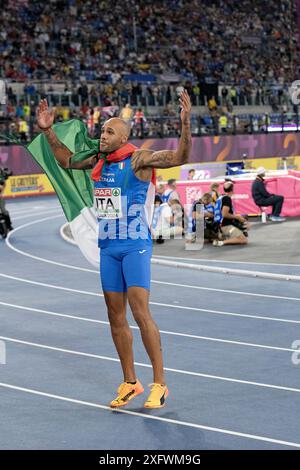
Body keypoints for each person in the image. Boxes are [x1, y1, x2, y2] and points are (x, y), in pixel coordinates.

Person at [36, 91, 192, 409]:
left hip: (134, 245)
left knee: (139, 312)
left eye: (108, 132)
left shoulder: (139, 159)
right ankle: (130, 382)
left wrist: (185, 125)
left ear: (123, 136)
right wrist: (47, 131)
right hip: (108, 247)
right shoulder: (98, 161)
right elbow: (66, 160)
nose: (101, 135)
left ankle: (160, 384)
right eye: (102, 131)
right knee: (114, 316)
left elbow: (179, 158)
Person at [213, 182, 249, 246]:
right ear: (232, 189)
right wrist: (237, 217)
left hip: (219, 225)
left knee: (243, 220)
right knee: (243, 240)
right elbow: (224, 214)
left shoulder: (220, 197)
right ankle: (222, 242)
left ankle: (226, 237)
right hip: (225, 225)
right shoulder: (227, 198)